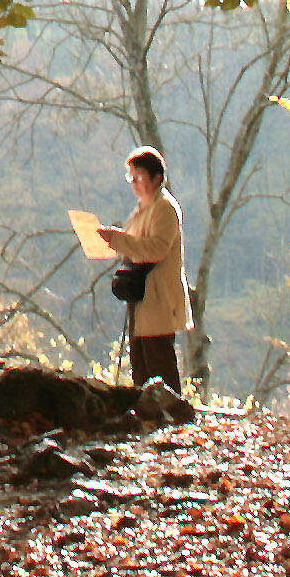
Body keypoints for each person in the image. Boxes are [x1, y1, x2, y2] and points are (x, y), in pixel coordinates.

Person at [99, 145, 189, 397]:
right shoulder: (143, 209)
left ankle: (172, 417)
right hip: (141, 297)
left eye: (138, 177)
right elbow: (134, 246)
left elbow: (157, 249)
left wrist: (118, 240)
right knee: (140, 362)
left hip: (158, 297)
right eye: (131, 177)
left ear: (157, 178)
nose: (134, 183)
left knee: (159, 362)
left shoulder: (164, 208)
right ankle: (147, 416)